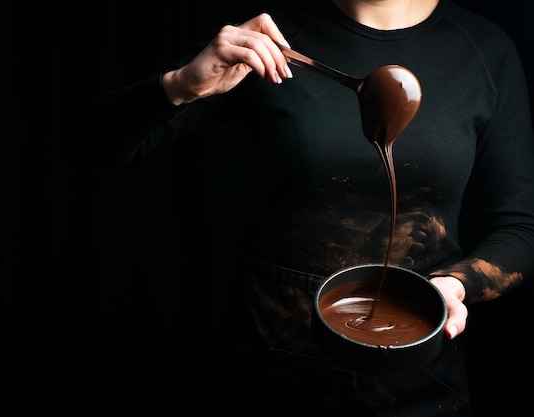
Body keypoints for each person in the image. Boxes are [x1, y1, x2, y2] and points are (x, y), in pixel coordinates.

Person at [83, 0, 534, 415]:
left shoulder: (484, 49)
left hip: (418, 376)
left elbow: (520, 229)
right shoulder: (267, 38)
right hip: (266, 364)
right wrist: (183, 84)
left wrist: (453, 286)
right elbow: (94, 144)